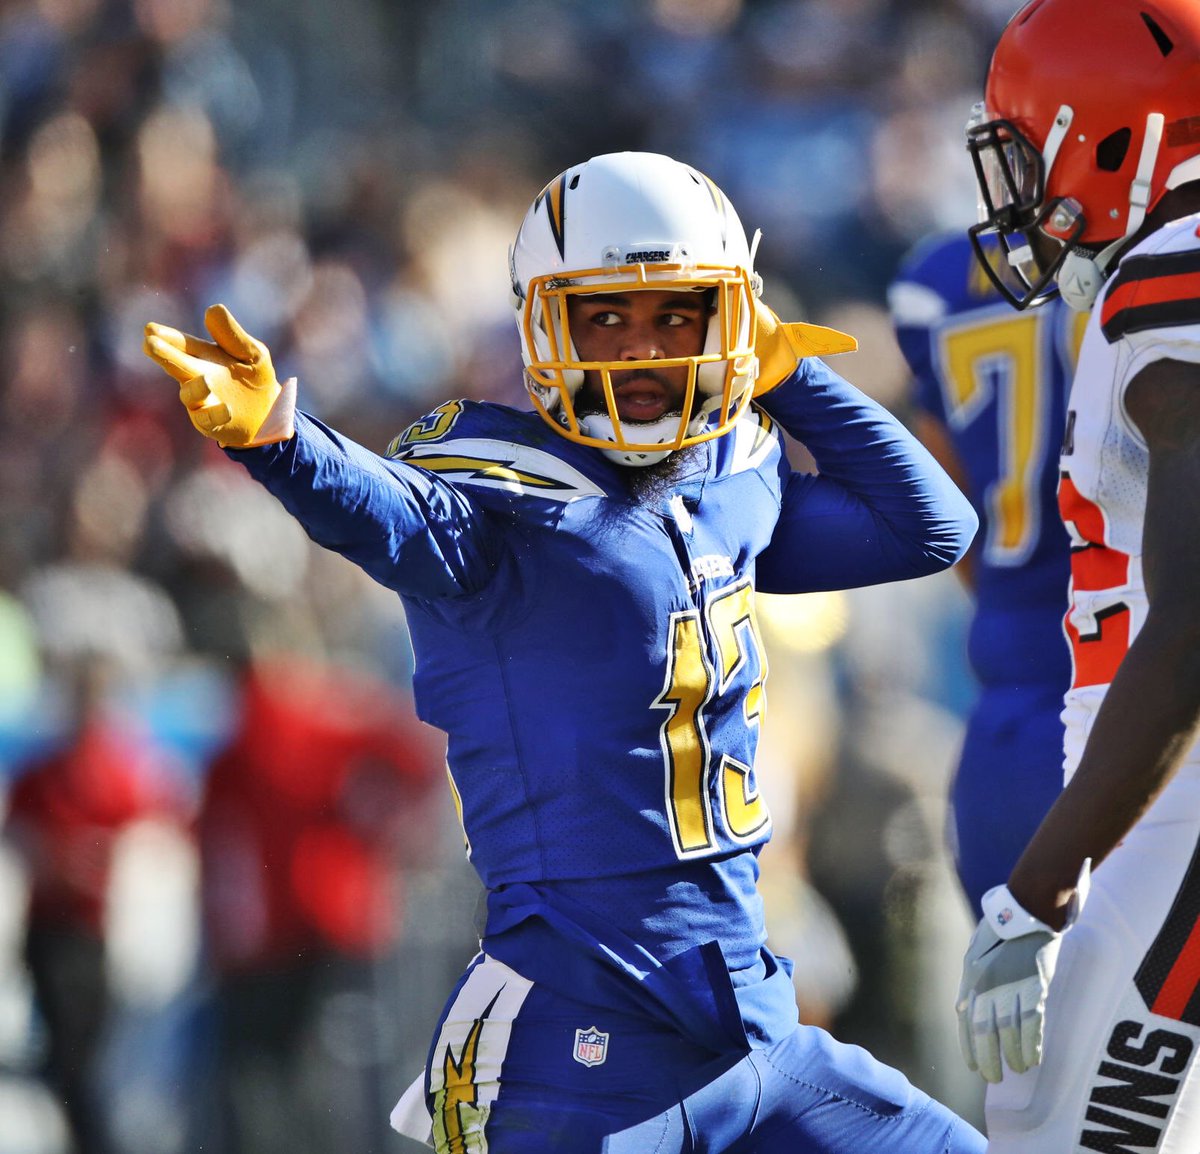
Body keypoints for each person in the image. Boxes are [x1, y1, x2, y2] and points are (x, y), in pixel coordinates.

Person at [142, 150, 983, 1154]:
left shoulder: (731, 476)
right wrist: (282, 442)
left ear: (732, 319)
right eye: (604, 318)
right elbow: (388, 514)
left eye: (675, 315)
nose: (638, 350)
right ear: (545, 324)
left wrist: (795, 377)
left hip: (752, 1023)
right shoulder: (500, 492)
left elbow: (930, 526)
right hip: (586, 1036)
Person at [952, 3, 1200, 1151]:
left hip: (1180, 813)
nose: (1017, 189)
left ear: (1114, 136)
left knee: (1058, 1122)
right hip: (1160, 805)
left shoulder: (1174, 272)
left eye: (1028, 146)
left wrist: (1041, 883)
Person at [888, 230, 1083, 915]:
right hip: (1154, 720)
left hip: (1011, 735)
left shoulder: (946, 277)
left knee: (1032, 1014)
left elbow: (950, 516)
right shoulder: (1171, 250)